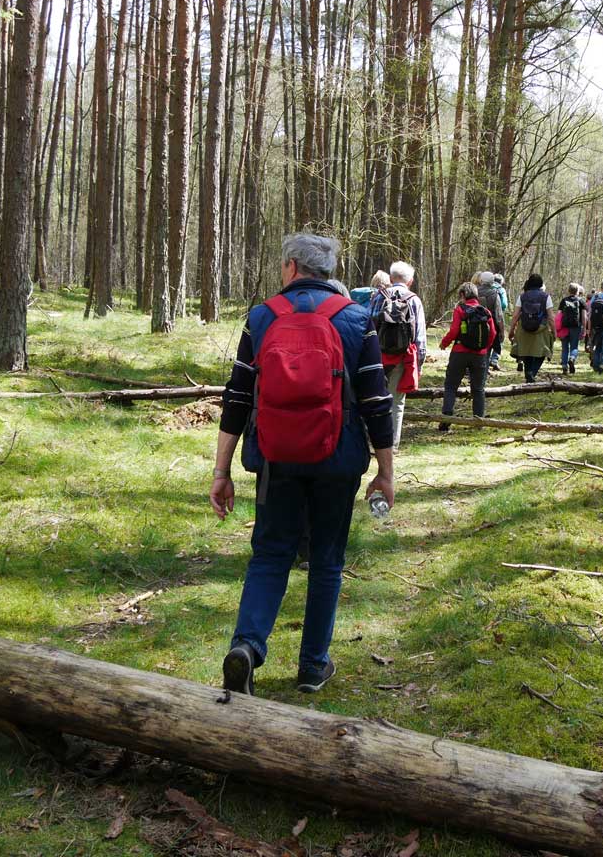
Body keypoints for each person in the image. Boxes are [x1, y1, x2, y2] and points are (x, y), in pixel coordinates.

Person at [210, 234, 395, 697]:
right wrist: (386, 471)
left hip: (277, 458)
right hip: (339, 458)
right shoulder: (357, 319)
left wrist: (222, 470)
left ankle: (248, 647)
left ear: (292, 266)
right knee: (327, 562)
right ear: (327, 271)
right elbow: (376, 401)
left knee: (271, 555)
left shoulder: (261, 318)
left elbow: (236, 399)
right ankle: (313, 665)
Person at [376, 261, 427, 452]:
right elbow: (420, 338)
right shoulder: (414, 300)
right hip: (402, 357)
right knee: (397, 402)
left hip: (378, 356)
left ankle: (375, 441)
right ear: (410, 281)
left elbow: (368, 327)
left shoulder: (378, 297)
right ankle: (392, 445)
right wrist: (418, 365)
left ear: (390, 278)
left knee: (376, 399)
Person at [437, 282, 495, 431]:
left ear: (463, 295)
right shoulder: (486, 312)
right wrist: (484, 348)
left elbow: (454, 330)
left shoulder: (460, 310)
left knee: (451, 386)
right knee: (478, 389)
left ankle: (447, 417)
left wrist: (444, 343)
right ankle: (478, 421)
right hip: (480, 355)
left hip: (460, 352)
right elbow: (493, 334)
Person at [509, 274, 555, 383]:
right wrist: (554, 331)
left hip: (524, 327)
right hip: (542, 328)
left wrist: (512, 330)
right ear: (540, 284)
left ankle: (529, 373)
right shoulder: (546, 296)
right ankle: (532, 372)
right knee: (543, 352)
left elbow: (515, 315)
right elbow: (551, 317)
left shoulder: (522, 296)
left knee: (527, 352)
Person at [475, 272, 505, 372]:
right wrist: (502, 331)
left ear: (481, 280)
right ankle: (483, 373)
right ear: (492, 282)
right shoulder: (494, 294)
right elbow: (499, 315)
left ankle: (474, 373)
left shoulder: (474, 292)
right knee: (487, 350)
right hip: (489, 327)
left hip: (474, 326)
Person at [557, 283, 587, 374]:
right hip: (576, 327)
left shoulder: (563, 300)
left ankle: (564, 367)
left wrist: (557, 327)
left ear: (568, 291)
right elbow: (584, 317)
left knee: (565, 347)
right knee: (574, 346)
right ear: (577, 291)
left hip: (564, 327)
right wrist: (585, 328)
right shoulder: (581, 301)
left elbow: (559, 315)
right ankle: (572, 358)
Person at [490, 273, 510, 370]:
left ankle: (486, 359)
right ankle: (494, 359)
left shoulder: (488, 288)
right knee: (500, 337)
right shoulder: (501, 290)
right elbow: (504, 304)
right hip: (497, 316)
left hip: (484, 316)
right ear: (501, 282)